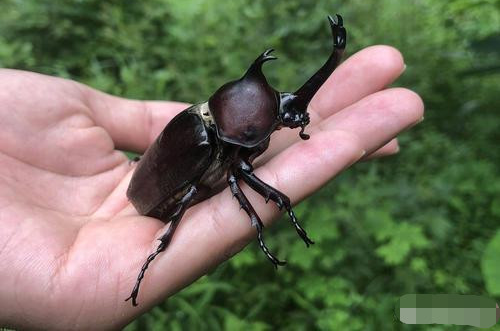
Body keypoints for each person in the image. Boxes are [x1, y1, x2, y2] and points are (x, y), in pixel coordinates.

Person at [0, 45, 423, 330]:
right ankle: (156, 255)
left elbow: (242, 172)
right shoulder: (206, 135)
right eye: (277, 114)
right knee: (194, 197)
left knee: (241, 183)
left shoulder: (217, 119)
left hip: (145, 176)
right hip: (154, 197)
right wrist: (277, 212)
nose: (287, 115)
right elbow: (241, 181)